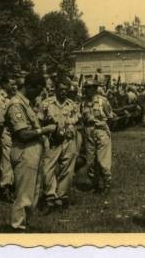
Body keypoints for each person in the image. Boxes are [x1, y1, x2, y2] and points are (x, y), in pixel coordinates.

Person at [5, 72, 57, 231]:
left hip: (33, 152)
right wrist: (44, 130)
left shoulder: (25, 103)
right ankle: (17, 228)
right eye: (38, 90)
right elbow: (23, 134)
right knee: (24, 195)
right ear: (29, 86)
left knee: (33, 193)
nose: (39, 94)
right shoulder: (16, 104)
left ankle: (23, 225)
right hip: (24, 151)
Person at [39, 79, 81, 214]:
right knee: (47, 169)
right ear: (55, 89)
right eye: (61, 89)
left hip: (68, 140)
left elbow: (78, 121)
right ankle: (50, 196)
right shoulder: (46, 104)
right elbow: (38, 121)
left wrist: (73, 130)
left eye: (66, 89)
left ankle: (61, 197)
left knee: (67, 169)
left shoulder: (72, 104)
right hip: (52, 141)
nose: (64, 92)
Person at [82, 79, 114, 195]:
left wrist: (104, 128)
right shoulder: (84, 103)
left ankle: (107, 183)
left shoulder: (102, 101)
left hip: (100, 131)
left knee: (102, 160)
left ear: (95, 89)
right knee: (90, 160)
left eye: (90, 88)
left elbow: (110, 117)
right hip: (88, 131)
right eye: (86, 88)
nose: (87, 90)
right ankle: (95, 183)